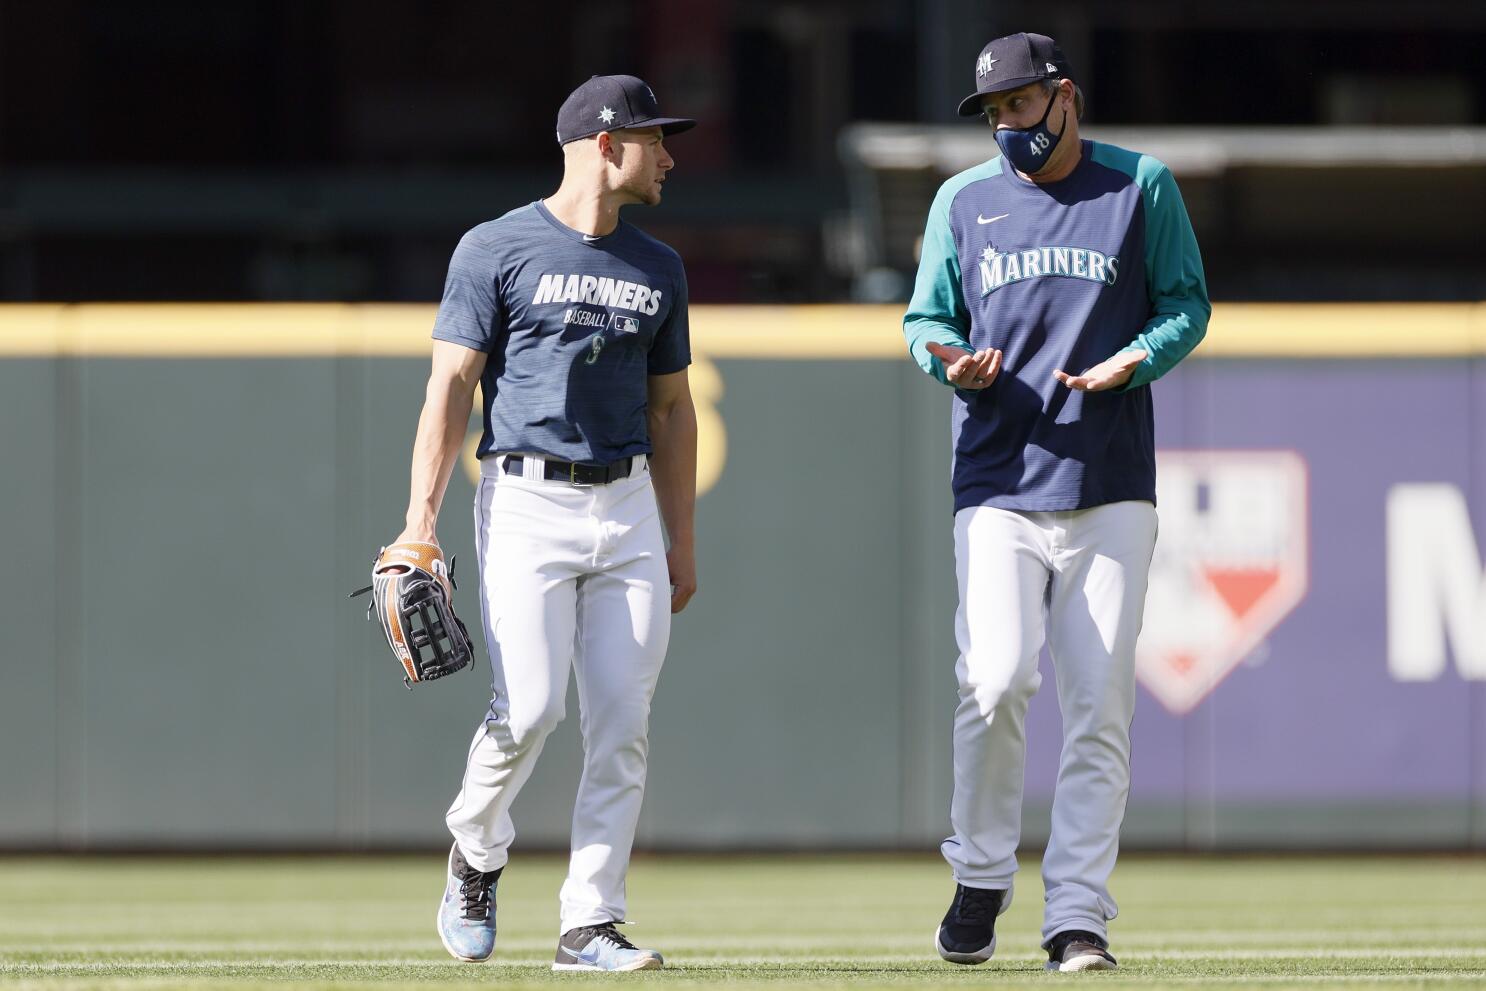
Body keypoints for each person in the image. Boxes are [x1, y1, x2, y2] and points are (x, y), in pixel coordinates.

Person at [902, 32, 1209, 973]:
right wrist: (952, 360)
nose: (1008, 127)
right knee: (994, 678)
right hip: (998, 478)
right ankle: (983, 871)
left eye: (1021, 106)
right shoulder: (964, 198)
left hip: (1109, 480)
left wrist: (1138, 358)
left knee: (1098, 705)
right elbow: (925, 319)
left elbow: (1186, 303)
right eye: (994, 113)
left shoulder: (1139, 184)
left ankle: (1078, 915)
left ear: (1064, 95)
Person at [394, 74, 698, 973]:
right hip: (527, 499)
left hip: (629, 503)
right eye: (656, 139)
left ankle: (590, 921)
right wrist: (419, 523)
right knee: (529, 707)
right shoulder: (496, 246)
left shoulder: (660, 265)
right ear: (607, 146)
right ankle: (476, 852)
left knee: (622, 721)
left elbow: (674, 411)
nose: (671, 156)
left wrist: (680, 536)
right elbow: (449, 388)